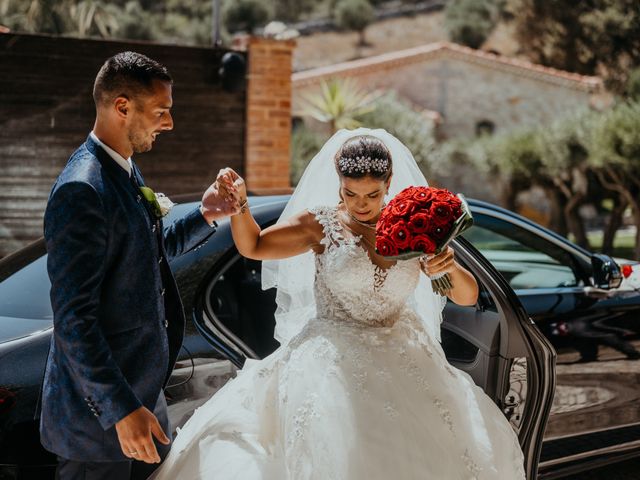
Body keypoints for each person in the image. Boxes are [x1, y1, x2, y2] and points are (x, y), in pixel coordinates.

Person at [151, 128, 526, 479]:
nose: (361, 204)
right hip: (329, 362)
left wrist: (447, 266)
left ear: (389, 185)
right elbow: (255, 246)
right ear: (339, 185)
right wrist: (241, 206)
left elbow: (467, 295)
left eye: (372, 195)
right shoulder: (321, 224)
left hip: (406, 359)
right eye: (350, 193)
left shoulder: (415, 222)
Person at [40, 51, 239, 480]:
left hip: (143, 399)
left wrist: (206, 213)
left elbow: (146, 254)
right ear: (122, 107)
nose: (168, 123)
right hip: (100, 425)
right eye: (161, 112)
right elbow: (74, 320)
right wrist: (121, 410)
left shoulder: (124, 172)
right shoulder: (82, 190)